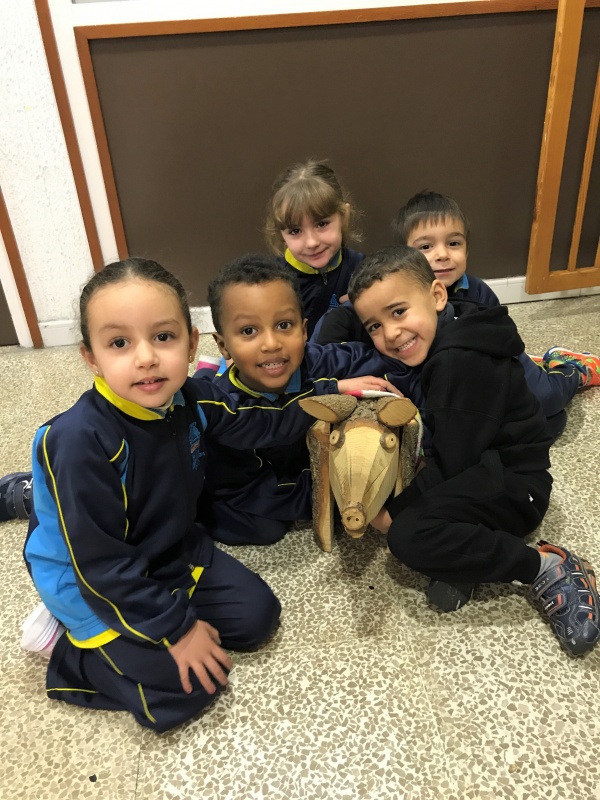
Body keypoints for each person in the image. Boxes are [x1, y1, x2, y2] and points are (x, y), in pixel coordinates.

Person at [19, 257, 324, 733]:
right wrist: (178, 631)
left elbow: (258, 424)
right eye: (119, 343)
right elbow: (101, 565)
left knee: (257, 619)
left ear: (192, 343)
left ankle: (153, 620)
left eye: (163, 336)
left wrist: (331, 396)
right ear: (91, 357)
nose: (146, 358)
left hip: (169, 549)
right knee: (192, 687)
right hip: (91, 581)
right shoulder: (80, 441)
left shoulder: (192, 397)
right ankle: (68, 652)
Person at [347, 244, 600, 657]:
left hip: (517, 489)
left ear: (437, 295)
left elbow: (452, 463)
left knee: (406, 537)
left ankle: (545, 566)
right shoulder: (456, 330)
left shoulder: (456, 362)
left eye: (398, 311)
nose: (390, 333)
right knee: (417, 514)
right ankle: (470, 556)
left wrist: (393, 513)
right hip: (491, 465)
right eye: (375, 325)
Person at [315, 191, 600, 441]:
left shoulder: (478, 292)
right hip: (435, 369)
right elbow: (338, 326)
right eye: (426, 247)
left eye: (453, 243)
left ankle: (569, 369)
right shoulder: (387, 296)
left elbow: (504, 338)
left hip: (492, 362)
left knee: (545, 400)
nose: (442, 255)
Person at [195, 253, 421, 546]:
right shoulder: (229, 408)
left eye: (284, 325)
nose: (272, 344)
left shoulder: (311, 359)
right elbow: (273, 427)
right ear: (224, 345)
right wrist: (332, 488)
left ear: (303, 331)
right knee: (267, 529)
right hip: (247, 485)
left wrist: (414, 369)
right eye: (249, 331)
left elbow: (369, 359)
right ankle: (205, 376)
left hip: (295, 458)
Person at [264, 158, 364, 338]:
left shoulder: (363, 270)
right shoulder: (269, 282)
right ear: (281, 234)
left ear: (344, 216)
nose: (311, 242)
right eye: (295, 231)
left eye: (321, 224)